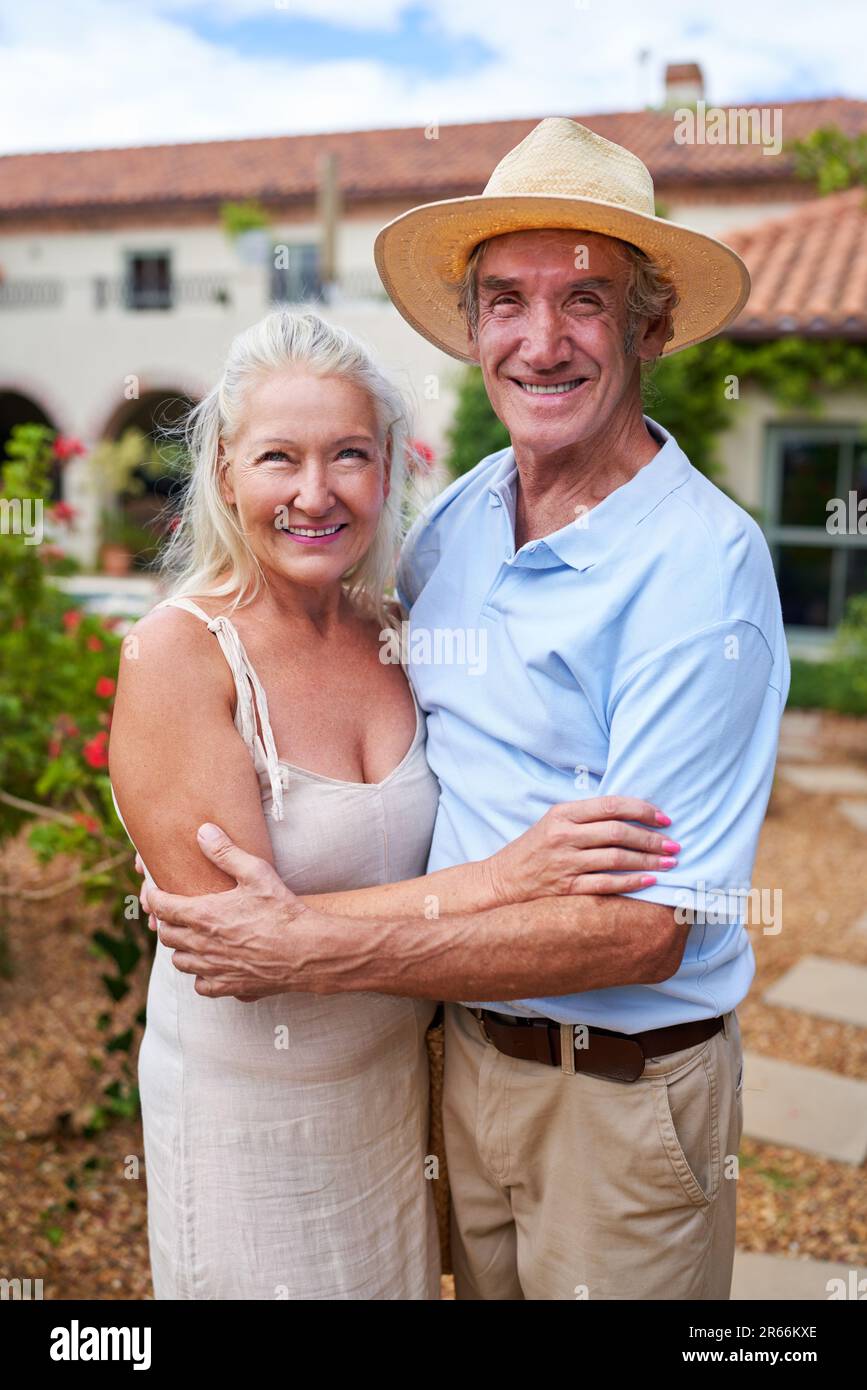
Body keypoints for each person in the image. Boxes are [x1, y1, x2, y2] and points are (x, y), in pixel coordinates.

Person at [141, 118, 790, 1300]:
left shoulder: (706, 573)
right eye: (507, 300)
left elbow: (646, 929)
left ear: (649, 328)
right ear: (476, 326)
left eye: (585, 302)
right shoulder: (461, 523)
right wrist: (507, 877)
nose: (541, 341)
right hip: (450, 1072)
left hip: (619, 1103)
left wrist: (314, 944)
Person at [109, 306, 679, 1300]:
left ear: (388, 469)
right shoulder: (180, 653)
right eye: (279, 458)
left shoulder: (396, 632)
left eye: (350, 456)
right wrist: (503, 877)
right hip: (251, 1119)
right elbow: (244, 952)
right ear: (226, 474)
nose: (316, 493)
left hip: (397, 1108)